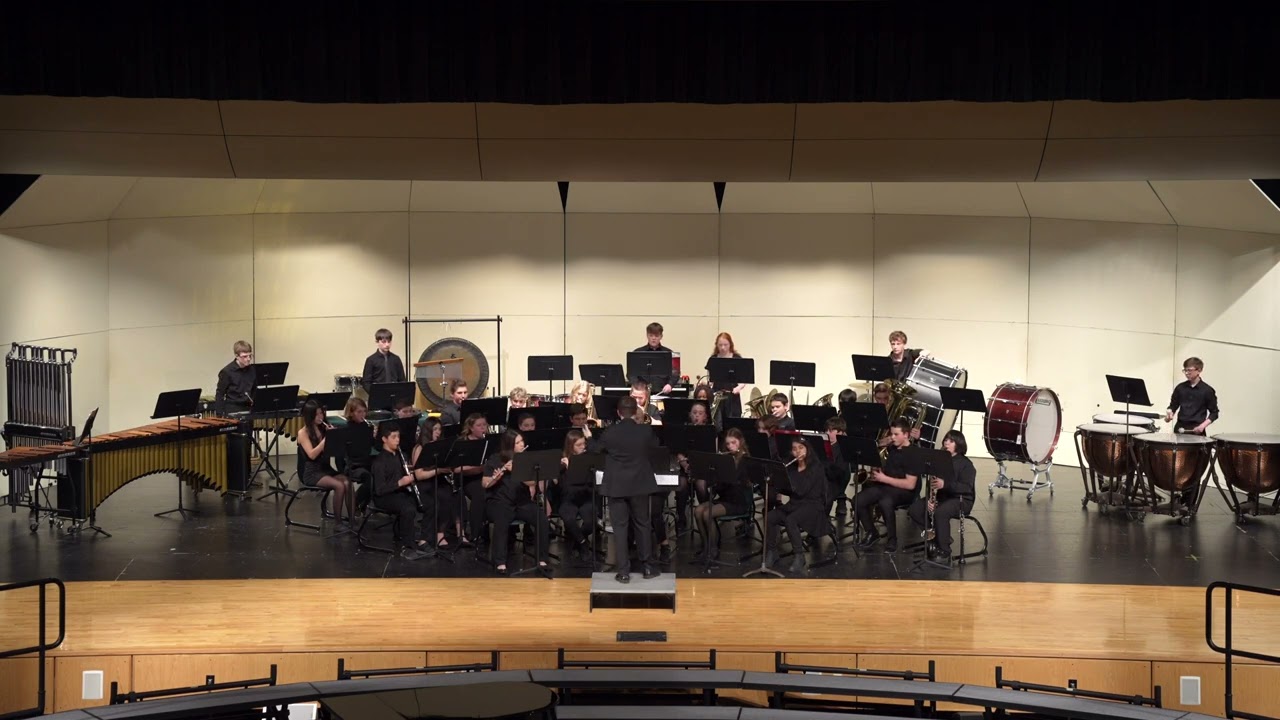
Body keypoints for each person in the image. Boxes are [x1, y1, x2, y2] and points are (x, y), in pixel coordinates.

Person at [601, 396, 660, 583]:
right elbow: (656, 447)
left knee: (620, 528)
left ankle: (624, 572)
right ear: (635, 411)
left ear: (618, 412)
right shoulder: (645, 431)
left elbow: (596, 448)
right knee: (642, 524)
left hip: (617, 485)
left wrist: (588, 438)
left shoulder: (610, 432)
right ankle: (648, 567)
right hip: (640, 484)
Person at [482, 429, 550, 575]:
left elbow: (532, 483)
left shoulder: (526, 460)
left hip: (521, 502)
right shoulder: (495, 459)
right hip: (499, 501)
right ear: (509, 445)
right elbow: (485, 483)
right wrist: (497, 477)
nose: (521, 445)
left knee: (542, 519)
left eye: (521, 441)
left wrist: (517, 471)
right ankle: (500, 562)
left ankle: (542, 559)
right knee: (502, 520)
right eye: (517, 442)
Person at [854, 418, 922, 553]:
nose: (892, 437)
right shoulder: (892, 448)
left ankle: (892, 539)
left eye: (896, 434)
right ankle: (872, 533)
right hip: (887, 486)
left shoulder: (913, 454)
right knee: (858, 500)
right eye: (891, 434)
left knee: (885, 502)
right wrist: (878, 475)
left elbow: (910, 484)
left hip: (905, 492)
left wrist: (884, 478)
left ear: (906, 435)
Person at [908, 430, 976, 562]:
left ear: (959, 444)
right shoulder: (940, 460)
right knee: (915, 510)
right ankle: (936, 535)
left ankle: (945, 550)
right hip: (943, 497)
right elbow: (933, 482)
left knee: (940, 513)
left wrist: (945, 484)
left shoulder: (966, 464)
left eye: (951, 441)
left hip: (962, 499)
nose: (946, 443)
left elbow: (967, 487)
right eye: (945, 440)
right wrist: (930, 498)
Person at [764, 436, 829, 574]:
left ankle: (799, 556)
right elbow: (787, 490)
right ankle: (772, 551)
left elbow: (801, 490)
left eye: (801, 448)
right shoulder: (791, 466)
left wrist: (786, 480)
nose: (797, 452)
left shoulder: (816, 468)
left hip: (813, 505)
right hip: (796, 504)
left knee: (790, 519)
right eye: (794, 449)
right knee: (770, 517)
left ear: (808, 449)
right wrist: (776, 480)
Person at [370, 422, 429, 560]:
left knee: (428, 501)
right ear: (384, 439)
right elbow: (379, 490)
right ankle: (407, 547)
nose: (397, 440)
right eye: (393, 437)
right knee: (408, 508)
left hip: (398, 493)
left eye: (398, 436)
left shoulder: (400, 455)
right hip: (384, 497)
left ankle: (424, 539)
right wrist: (401, 482)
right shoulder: (379, 462)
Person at [692, 428, 752, 562]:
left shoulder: (745, 460)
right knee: (698, 510)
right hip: (725, 499)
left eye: (733, 443)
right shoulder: (727, 459)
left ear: (740, 442)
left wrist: (724, 469)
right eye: (728, 444)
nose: (730, 446)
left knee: (707, 514)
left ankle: (713, 549)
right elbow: (719, 486)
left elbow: (736, 483)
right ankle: (706, 546)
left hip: (738, 501)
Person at [296, 399, 354, 527]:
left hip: (325, 468)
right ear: (309, 416)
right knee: (339, 486)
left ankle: (352, 520)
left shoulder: (323, 428)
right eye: (317, 414)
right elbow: (312, 455)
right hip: (311, 472)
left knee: (347, 482)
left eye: (321, 413)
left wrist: (335, 437)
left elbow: (334, 451)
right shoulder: (303, 433)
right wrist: (326, 440)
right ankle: (338, 523)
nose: (320, 417)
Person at [412, 417, 456, 550]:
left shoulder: (440, 446)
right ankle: (424, 538)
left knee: (448, 497)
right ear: (428, 430)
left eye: (439, 429)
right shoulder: (419, 448)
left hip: (438, 480)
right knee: (433, 502)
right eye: (435, 429)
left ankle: (440, 533)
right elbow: (419, 475)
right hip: (424, 483)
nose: (438, 432)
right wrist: (437, 470)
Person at [558, 429, 593, 561]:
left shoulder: (589, 459)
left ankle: (578, 540)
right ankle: (583, 543)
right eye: (579, 445)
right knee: (568, 519)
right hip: (569, 499)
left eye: (584, 444)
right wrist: (566, 468)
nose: (583, 447)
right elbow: (560, 486)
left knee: (590, 522)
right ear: (570, 446)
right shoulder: (563, 460)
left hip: (586, 497)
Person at [1166, 357, 1219, 435]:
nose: (1186, 373)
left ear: (1199, 370)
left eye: (1189, 370)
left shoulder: (1207, 390)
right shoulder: (1180, 388)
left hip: (1197, 430)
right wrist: (1170, 413)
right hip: (1180, 429)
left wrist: (1202, 426)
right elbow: (1173, 406)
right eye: (1185, 370)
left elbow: (1214, 413)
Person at [341, 397, 375, 509]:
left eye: (364, 411)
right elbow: (352, 451)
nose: (363, 415)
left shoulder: (367, 427)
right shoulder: (347, 428)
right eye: (359, 412)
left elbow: (375, 446)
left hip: (366, 462)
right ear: (351, 413)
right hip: (353, 465)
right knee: (369, 479)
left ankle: (366, 504)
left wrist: (376, 436)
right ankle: (355, 502)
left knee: (381, 475)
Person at [705, 332, 746, 420]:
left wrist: (738, 388)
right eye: (720, 345)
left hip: (732, 395)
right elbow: (710, 378)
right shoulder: (713, 359)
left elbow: (744, 379)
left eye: (725, 345)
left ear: (730, 344)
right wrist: (709, 385)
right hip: (717, 395)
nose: (723, 347)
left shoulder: (737, 358)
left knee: (732, 421)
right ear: (717, 345)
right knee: (717, 420)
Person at [634, 322, 679, 395]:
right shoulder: (637, 353)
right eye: (651, 335)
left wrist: (670, 384)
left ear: (661, 336)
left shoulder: (672, 354)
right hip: (642, 394)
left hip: (663, 393)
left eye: (656, 336)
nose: (653, 338)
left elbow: (676, 373)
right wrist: (638, 386)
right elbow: (631, 374)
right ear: (647, 336)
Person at [214, 340, 255, 416]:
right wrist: (219, 415)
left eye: (250, 356)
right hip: (232, 410)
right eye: (244, 356)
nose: (248, 359)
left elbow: (254, 389)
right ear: (236, 356)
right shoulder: (227, 372)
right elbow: (220, 394)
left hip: (248, 409)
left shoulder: (252, 370)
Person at [825, 417, 852, 517]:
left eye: (831, 431)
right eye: (827, 430)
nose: (828, 433)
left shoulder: (843, 449)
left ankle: (821, 522)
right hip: (824, 478)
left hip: (835, 482)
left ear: (840, 432)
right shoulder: (823, 445)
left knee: (825, 495)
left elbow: (837, 473)